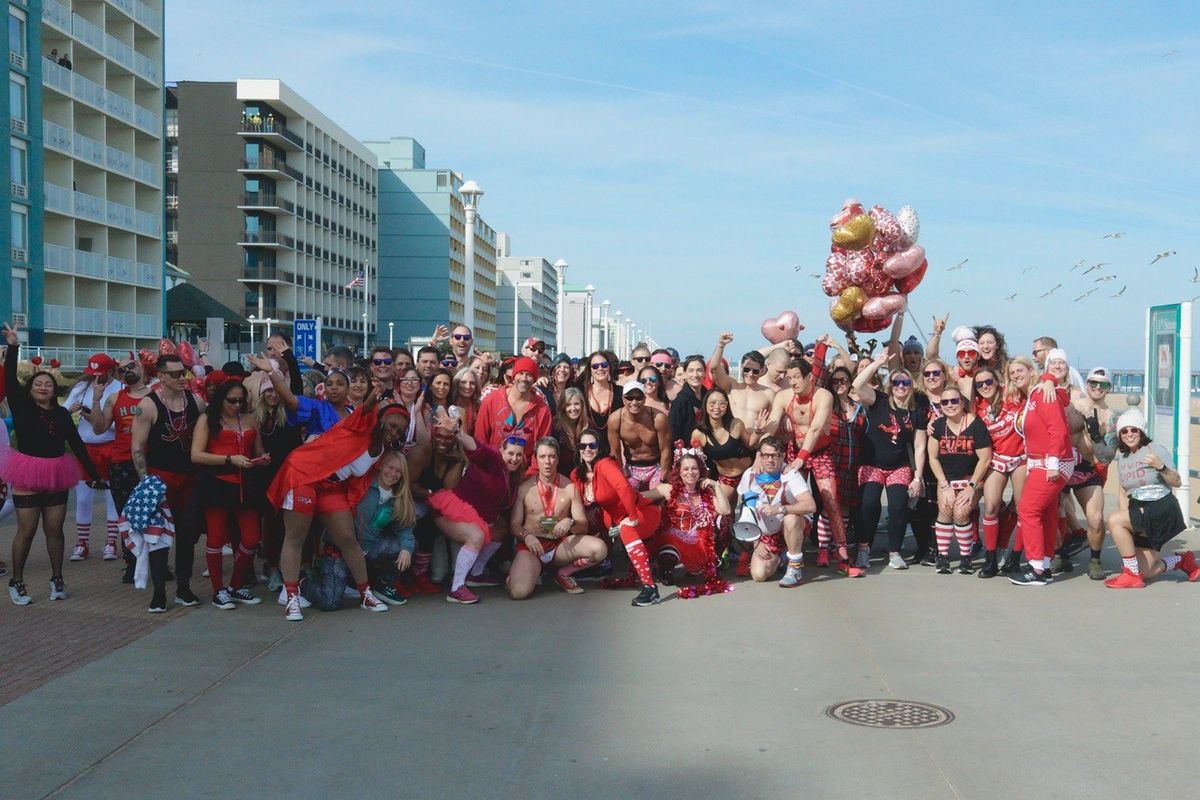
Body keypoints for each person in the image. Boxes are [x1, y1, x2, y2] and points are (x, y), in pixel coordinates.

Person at [267, 394, 408, 620]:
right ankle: (291, 596)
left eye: (400, 431)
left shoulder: (381, 451)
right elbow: (367, 407)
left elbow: (356, 481)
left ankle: (365, 593)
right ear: (380, 420)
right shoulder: (361, 425)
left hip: (332, 487)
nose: (395, 432)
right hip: (305, 474)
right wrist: (375, 394)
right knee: (295, 537)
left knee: (348, 539)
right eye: (392, 426)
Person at [2, 323, 102, 606]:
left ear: (53, 388)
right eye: (38, 383)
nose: (43, 386)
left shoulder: (60, 413)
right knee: (27, 530)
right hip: (28, 471)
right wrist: (13, 346)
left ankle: (57, 579)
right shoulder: (21, 407)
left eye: (48, 384)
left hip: (57, 470)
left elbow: (78, 445)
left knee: (55, 530)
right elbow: (9, 379)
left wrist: (93, 475)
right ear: (30, 389)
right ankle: (17, 581)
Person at [767, 357, 856, 575]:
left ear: (809, 377)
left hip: (818, 451)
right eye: (790, 378)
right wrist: (761, 433)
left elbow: (816, 429)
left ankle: (843, 554)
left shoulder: (823, 395)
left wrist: (802, 458)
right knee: (782, 498)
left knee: (830, 499)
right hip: (793, 451)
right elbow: (772, 424)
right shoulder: (783, 396)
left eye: (797, 377)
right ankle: (780, 549)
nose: (793, 382)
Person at [429, 409, 527, 604]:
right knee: (476, 536)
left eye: (518, 455)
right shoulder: (493, 459)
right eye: (510, 453)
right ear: (501, 451)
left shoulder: (513, 475)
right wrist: (457, 431)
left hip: (475, 517)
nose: (514, 458)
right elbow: (476, 448)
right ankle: (456, 589)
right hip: (448, 511)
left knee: (500, 531)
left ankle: (476, 573)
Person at [131, 352, 206, 608]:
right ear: (161, 376)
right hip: (160, 478)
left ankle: (184, 588)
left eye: (183, 372)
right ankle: (159, 592)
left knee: (187, 534)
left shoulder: (195, 401)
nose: (181, 378)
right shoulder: (149, 405)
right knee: (158, 536)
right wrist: (146, 483)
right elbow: (137, 446)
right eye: (174, 374)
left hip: (189, 478)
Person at [190, 378, 268, 609]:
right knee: (215, 537)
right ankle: (218, 590)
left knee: (252, 538)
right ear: (221, 399)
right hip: (217, 482)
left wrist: (262, 459)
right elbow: (196, 455)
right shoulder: (207, 419)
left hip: (246, 483)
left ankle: (234, 585)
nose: (236, 405)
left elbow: (259, 450)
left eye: (240, 401)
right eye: (231, 400)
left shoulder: (250, 418)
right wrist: (228, 459)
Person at [1103, 408, 1198, 588]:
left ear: (1141, 431)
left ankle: (1130, 574)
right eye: (1124, 431)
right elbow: (1124, 490)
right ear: (1120, 435)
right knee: (1145, 573)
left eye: (1134, 429)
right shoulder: (1123, 458)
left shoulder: (1154, 449)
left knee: (1114, 520)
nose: (1129, 434)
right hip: (1140, 510)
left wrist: (1160, 466)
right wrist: (1127, 521)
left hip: (1161, 508)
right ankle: (1181, 561)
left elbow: (1177, 481)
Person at [851, 354, 927, 571]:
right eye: (896, 382)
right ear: (890, 385)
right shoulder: (879, 401)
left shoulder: (916, 412)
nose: (901, 387)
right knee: (868, 504)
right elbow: (857, 385)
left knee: (898, 507)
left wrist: (918, 477)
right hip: (872, 463)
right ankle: (864, 548)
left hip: (899, 466)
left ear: (911, 386)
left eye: (905, 383)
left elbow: (920, 446)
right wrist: (877, 363)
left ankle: (894, 551)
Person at [572, 427, 663, 606]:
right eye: (583, 445)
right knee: (618, 529)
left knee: (628, 529)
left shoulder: (604, 464)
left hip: (641, 511)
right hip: (614, 519)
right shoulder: (578, 474)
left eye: (592, 445)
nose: (587, 449)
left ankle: (650, 589)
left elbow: (624, 488)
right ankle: (564, 573)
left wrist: (632, 516)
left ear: (600, 447)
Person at [508, 437, 605, 598]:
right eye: (542, 457)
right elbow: (514, 525)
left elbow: (583, 525)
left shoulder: (569, 488)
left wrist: (570, 522)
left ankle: (562, 573)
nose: (547, 462)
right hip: (532, 547)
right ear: (536, 459)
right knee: (519, 592)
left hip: (560, 546)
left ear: (558, 459)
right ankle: (520, 575)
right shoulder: (525, 488)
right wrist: (527, 536)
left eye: (552, 456)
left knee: (599, 549)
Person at [1010, 350, 1073, 586]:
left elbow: (1058, 429)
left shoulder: (1043, 393)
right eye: (1012, 372)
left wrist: (1053, 462)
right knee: (1046, 514)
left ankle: (1036, 568)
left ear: (1031, 371)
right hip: (1040, 461)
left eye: (1020, 370)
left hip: (1051, 463)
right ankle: (1044, 565)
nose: (1016, 375)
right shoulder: (1033, 396)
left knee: (1028, 510)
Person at [643, 447, 732, 596]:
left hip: (699, 542)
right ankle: (663, 569)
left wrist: (716, 486)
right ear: (679, 471)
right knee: (670, 549)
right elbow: (640, 497)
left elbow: (726, 510)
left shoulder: (706, 493)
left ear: (701, 470)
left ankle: (711, 566)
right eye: (685, 469)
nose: (690, 472)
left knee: (726, 520)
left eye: (694, 468)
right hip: (672, 540)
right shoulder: (668, 489)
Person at [928, 386, 992, 574]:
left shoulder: (975, 424)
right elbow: (933, 458)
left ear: (962, 402)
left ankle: (965, 558)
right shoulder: (939, 425)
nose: (949, 405)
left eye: (954, 401)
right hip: (947, 478)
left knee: (961, 511)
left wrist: (972, 486)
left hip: (971, 478)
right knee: (946, 509)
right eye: (944, 402)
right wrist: (944, 484)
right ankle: (943, 556)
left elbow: (985, 458)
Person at [736, 435, 816, 586]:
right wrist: (756, 542)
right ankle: (781, 556)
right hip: (766, 533)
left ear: (783, 456)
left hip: (791, 526)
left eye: (775, 455)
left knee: (790, 518)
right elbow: (745, 511)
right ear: (759, 455)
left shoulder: (790, 474)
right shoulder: (750, 475)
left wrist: (780, 509)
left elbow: (810, 505)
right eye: (766, 455)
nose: (770, 460)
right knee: (759, 575)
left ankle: (794, 567)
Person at [974, 360, 1028, 578]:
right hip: (997, 459)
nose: (985, 386)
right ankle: (990, 559)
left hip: (1021, 458)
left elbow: (1033, 384)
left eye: (989, 381)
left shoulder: (1013, 395)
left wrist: (1049, 383)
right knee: (991, 506)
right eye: (980, 384)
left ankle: (1014, 558)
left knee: (1022, 509)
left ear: (997, 382)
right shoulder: (977, 406)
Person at [66, 353, 121, 561]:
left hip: (110, 446)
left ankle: (111, 542)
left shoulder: (119, 389)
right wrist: (69, 410)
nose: (96, 377)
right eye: (92, 373)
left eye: (100, 373)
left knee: (111, 497)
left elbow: (118, 422)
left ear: (109, 371)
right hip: (85, 448)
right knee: (82, 498)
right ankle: (82, 543)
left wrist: (90, 415)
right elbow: (62, 412)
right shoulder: (82, 388)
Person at [1072, 366, 1118, 579]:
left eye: (1103, 384)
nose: (1097, 388)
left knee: (1096, 519)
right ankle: (1058, 554)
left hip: (1086, 469)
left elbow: (1107, 457)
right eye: (1093, 383)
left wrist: (1096, 436)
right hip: (1061, 467)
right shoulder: (1071, 405)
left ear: (1109, 388)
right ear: (1086, 383)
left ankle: (1095, 560)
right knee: (1053, 513)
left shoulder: (1110, 418)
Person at [355, 450, 417, 605]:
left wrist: (406, 550)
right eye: (390, 467)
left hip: (371, 552)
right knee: (329, 599)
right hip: (347, 550)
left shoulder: (399, 498)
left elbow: (406, 531)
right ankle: (303, 582)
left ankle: (383, 584)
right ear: (380, 466)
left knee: (403, 545)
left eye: (398, 471)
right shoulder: (364, 483)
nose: (393, 474)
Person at [474, 356, 552, 461]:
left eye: (529, 375)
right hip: (492, 467)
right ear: (514, 376)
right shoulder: (491, 400)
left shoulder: (542, 410)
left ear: (534, 379)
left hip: (525, 473)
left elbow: (542, 449)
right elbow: (480, 439)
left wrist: (530, 474)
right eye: (520, 373)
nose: (524, 378)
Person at [607, 380, 670, 490]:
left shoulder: (657, 417)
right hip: (631, 468)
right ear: (623, 399)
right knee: (626, 496)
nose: (634, 402)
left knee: (659, 496)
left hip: (655, 467)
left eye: (639, 397)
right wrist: (622, 473)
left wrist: (663, 478)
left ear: (645, 399)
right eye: (630, 398)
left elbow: (665, 450)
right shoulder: (615, 419)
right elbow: (615, 452)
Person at [708, 333, 777, 431]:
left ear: (762, 371)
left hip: (756, 440)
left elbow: (775, 419)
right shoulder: (732, 386)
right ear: (741, 368)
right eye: (747, 370)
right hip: (732, 439)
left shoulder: (768, 393)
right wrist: (721, 345)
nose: (750, 374)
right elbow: (714, 367)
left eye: (755, 371)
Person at [668, 355, 706, 444]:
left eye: (699, 370)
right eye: (691, 371)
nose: (695, 375)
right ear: (685, 374)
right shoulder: (679, 401)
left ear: (705, 373)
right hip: (687, 453)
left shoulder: (708, 397)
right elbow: (674, 434)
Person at [579, 351, 623, 430]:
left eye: (604, 365)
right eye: (595, 366)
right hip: (589, 441)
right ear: (590, 370)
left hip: (614, 441)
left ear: (609, 367)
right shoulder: (581, 393)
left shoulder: (620, 392)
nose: (600, 368)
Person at [552, 387, 587, 476]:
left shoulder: (588, 424)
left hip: (583, 475)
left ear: (582, 405)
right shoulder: (555, 426)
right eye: (568, 405)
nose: (573, 408)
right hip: (561, 477)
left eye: (576, 404)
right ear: (563, 406)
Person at [450, 367, 481, 433]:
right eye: (463, 382)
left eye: (472, 383)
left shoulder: (479, 406)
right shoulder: (448, 403)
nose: (468, 386)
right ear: (457, 383)